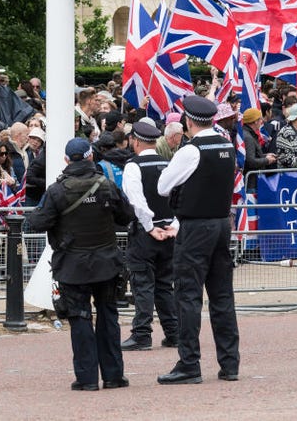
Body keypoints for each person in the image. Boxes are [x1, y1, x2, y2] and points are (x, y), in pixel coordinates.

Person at [26, 137, 134, 391]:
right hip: (107, 263)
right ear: (90, 157)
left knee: (80, 318)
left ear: (67, 160)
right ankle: (114, 375)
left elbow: (37, 222)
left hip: (73, 264)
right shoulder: (106, 185)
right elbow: (126, 216)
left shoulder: (57, 190)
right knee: (108, 316)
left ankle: (86, 379)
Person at [156, 95, 240, 385]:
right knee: (222, 296)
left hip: (195, 227)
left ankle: (189, 363)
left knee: (188, 297)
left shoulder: (191, 150)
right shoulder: (227, 145)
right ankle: (230, 363)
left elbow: (163, 186)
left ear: (188, 122)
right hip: (221, 224)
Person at [120, 122, 179, 352]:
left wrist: (148, 225)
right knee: (165, 284)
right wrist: (173, 224)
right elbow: (179, 196)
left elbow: (136, 200)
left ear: (135, 140)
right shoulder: (168, 163)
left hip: (146, 232)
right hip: (168, 229)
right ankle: (173, 332)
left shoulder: (133, 166)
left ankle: (142, 334)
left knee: (142, 284)